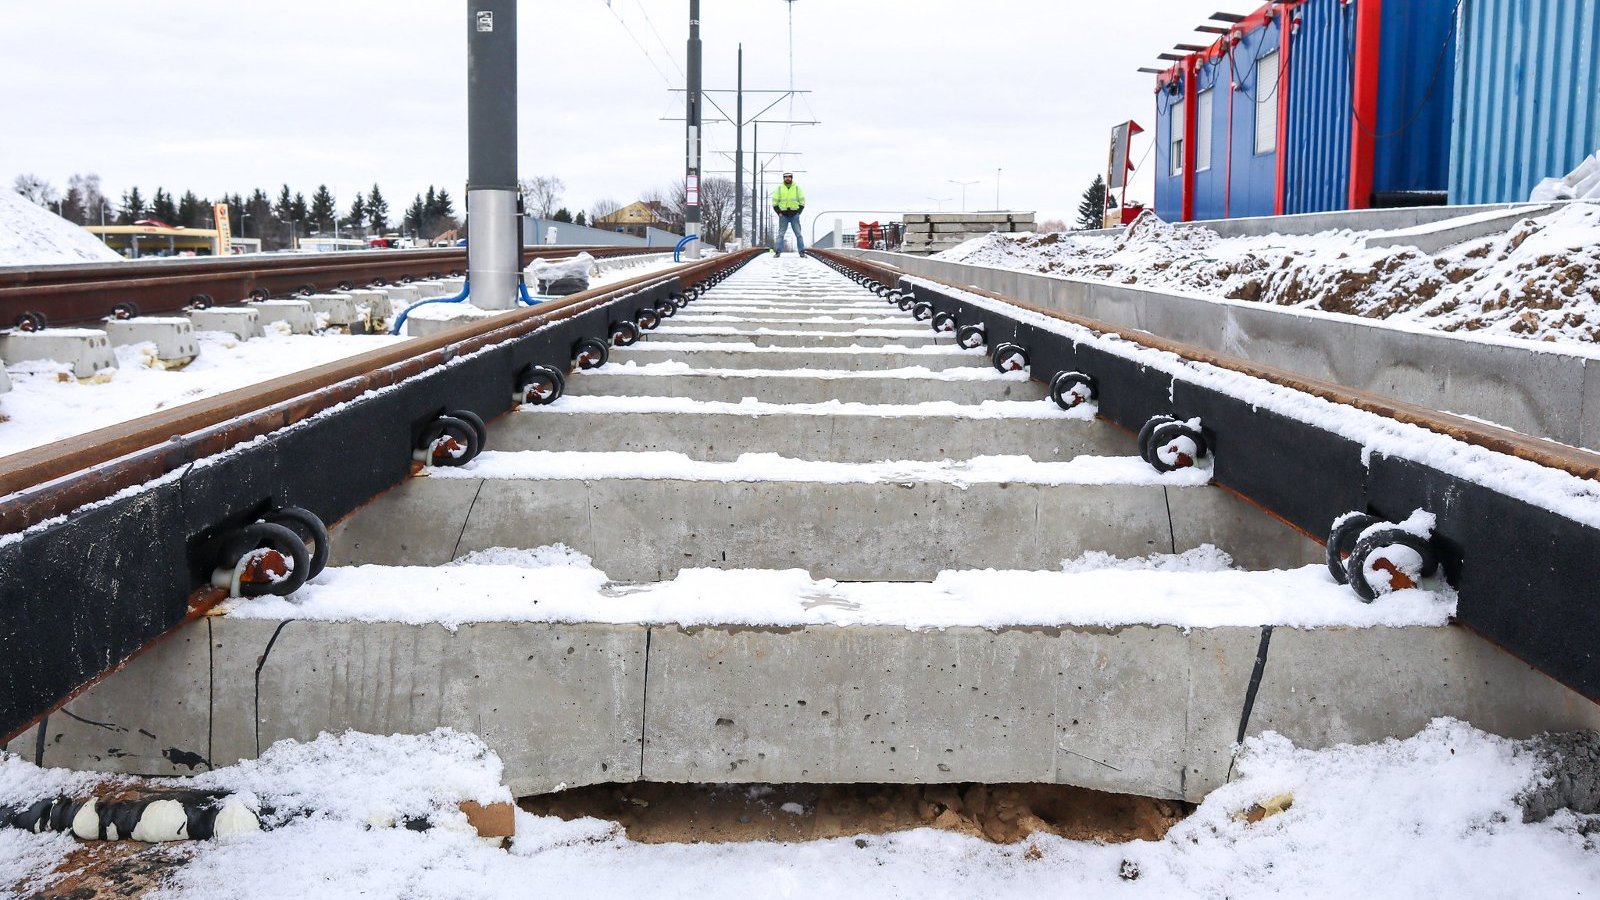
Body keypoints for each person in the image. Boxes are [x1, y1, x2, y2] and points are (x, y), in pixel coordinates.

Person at [771, 172, 806, 256]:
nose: (787, 178)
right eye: (785, 177)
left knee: (799, 234)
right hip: (783, 215)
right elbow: (774, 202)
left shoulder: (797, 188)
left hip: (794, 215)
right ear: (784, 178)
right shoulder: (779, 188)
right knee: (781, 235)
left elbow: (802, 201)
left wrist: (798, 212)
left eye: (789, 177)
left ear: (791, 178)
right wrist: (779, 212)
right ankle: (777, 252)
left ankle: (801, 252)